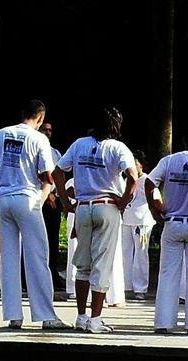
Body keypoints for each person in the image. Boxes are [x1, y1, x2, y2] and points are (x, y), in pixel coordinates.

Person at [0, 99, 70, 330]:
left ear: (22, 113)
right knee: (37, 257)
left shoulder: (0, 134)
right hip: (27, 199)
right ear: (40, 117)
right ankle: (46, 315)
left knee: (9, 259)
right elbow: (47, 175)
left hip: (4, 200)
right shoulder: (39, 138)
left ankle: (13, 316)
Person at [52, 106, 138, 334]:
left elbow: (58, 172)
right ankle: (96, 319)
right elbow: (132, 176)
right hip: (107, 206)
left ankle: (81, 316)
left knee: (83, 264)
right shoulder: (118, 148)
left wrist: (64, 200)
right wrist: (123, 201)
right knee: (102, 263)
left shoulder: (79, 144)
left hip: (82, 207)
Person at [146, 124, 188, 335]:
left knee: (167, 273)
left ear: (183, 141)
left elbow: (149, 182)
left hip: (172, 221)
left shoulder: (168, 161)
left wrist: (155, 207)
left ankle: (163, 323)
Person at [121, 149, 155, 301]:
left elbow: (155, 199)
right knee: (125, 253)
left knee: (141, 254)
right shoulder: (125, 179)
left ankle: (140, 288)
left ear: (142, 165)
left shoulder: (147, 180)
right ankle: (125, 285)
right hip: (126, 218)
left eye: (135, 164)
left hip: (142, 221)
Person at [38, 122, 65, 291]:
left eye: (50, 130)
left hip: (54, 198)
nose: (47, 132)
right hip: (39, 197)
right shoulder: (34, 146)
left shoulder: (55, 152)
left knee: (52, 240)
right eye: (44, 130)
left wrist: (57, 194)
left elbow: (59, 173)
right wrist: (46, 194)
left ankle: (52, 273)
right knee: (38, 239)